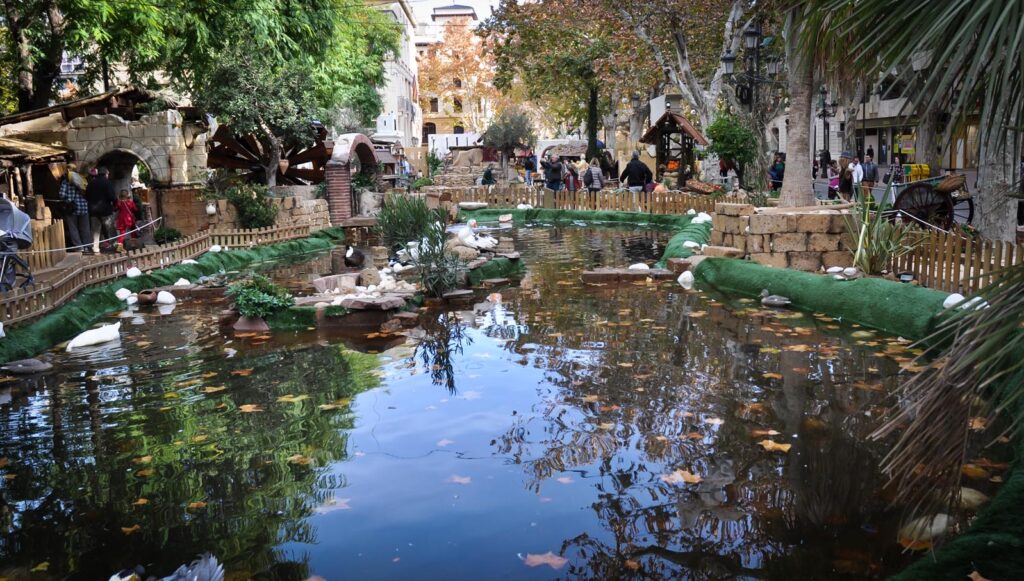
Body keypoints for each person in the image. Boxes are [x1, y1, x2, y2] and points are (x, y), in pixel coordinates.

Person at [58, 164, 93, 253]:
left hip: (71, 208)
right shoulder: (82, 180)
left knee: (73, 228)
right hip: (84, 207)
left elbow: (61, 194)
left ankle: (79, 247)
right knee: (85, 228)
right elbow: (88, 193)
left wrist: (68, 199)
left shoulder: (66, 182)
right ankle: (87, 246)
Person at [85, 166, 117, 252]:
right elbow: (112, 196)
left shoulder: (91, 183)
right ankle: (114, 246)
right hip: (105, 210)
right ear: (106, 174)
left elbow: (86, 196)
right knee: (110, 229)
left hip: (93, 211)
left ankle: (95, 248)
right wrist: (115, 204)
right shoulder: (107, 183)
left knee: (95, 230)